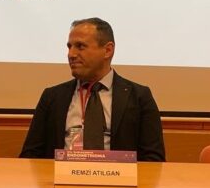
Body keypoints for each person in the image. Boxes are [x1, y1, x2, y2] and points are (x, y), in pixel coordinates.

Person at [20, 17, 166, 161]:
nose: (71, 54)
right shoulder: (52, 97)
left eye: (80, 46)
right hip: (61, 176)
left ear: (108, 50)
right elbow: (30, 155)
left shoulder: (139, 97)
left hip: (119, 176)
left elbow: (154, 159)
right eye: (69, 47)